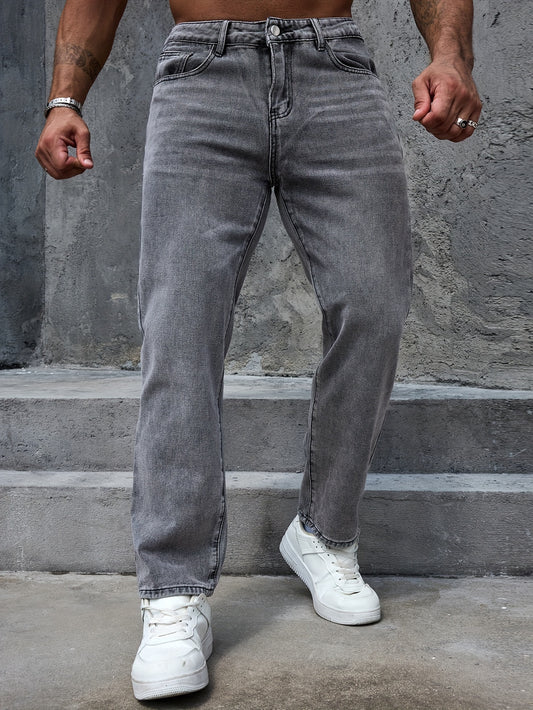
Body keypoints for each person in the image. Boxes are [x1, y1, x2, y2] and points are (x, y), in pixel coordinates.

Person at [36, 0, 482, 700]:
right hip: (202, 72)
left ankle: (324, 534)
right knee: (179, 326)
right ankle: (173, 588)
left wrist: (451, 55)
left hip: (334, 67)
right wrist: (66, 98)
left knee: (374, 304)